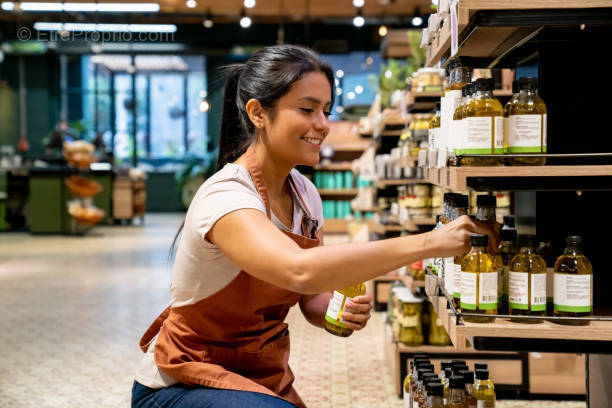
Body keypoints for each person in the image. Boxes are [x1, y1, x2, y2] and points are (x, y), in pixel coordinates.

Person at [132, 45, 497, 408]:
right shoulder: (226, 196)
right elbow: (299, 270)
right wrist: (431, 242)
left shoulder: (305, 195)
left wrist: (335, 310)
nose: (323, 125)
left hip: (258, 377)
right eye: (307, 110)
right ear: (258, 113)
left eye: (326, 111)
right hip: (182, 379)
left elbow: (310, 296)